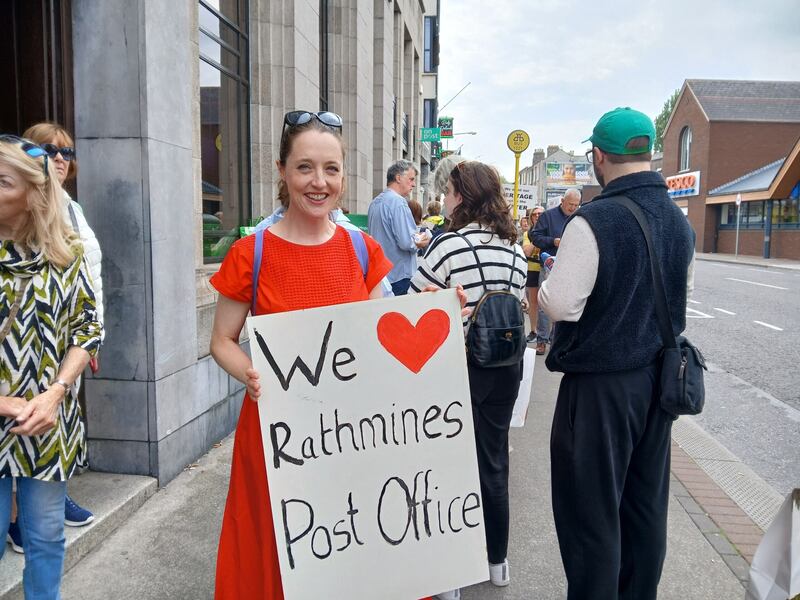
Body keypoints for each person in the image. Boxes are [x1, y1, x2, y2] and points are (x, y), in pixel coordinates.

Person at [208, 110, 395, 599]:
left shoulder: (363, 251)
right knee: (279, 548)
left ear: (343, 176)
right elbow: (221, 342)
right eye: (305, 167)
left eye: (331, 169)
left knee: (348, 540)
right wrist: (249, 372)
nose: (319, 182)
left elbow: (382, 340)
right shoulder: (252, 253)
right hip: (277, 435)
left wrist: (441, 316)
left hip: (352, 435)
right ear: (282, 171)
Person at [539, 107, 695, 600]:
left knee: (591, 513)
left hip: (601, 389)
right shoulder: (678, 221)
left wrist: (544, 286)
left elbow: (561, 303)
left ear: (599, 157)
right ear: (648, 154)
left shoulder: (595, 220)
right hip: (657, 382)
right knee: (645, 506)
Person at [410, 161, 526, 600]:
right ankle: (497, 562)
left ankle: (451, 576)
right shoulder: (514, 248)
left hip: (457, 366)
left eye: (451, 191)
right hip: (504, 368)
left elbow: (412, 303)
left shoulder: (448, 246)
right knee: (493, 462)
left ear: (464, 196)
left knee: (448, 467)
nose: (446, 198)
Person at [0, 135, 103, 598]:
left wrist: (57, 390)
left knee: (45, 539)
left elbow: (87, 327)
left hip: (47, 422)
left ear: (31, 193)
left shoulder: (67, 252)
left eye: (2, 181)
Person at [20, 122, 103, 533]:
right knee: (25, 425)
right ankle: (20, 516)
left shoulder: (72, 207)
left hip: (75, 336)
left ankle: (53, 497)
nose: (59, 159)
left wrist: (92, 336)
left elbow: (90, 275)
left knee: (59, 418)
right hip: (35, 338)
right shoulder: (23, 208)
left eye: (66, 153)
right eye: (47, 151)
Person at [367, 160, 429, 295]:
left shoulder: (374, 203)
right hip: (399, 275)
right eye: (411, 179)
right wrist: (421, 242)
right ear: (398, 178)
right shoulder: (398, 202)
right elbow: (406, 242)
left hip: (382, 275)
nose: (413, 184)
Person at [530, 188, 580, 355]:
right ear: (563, 201)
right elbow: (534, 236)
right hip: (549, 263)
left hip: (571, 264)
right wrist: (553, 241)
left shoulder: (579, 217)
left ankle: (556, 339)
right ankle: (542, 340)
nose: (573, 208)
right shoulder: (548, 216)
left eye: (576, 205)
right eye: (570, 204)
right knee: (545, 303)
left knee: (566, 303)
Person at [521, 206, 544, 343]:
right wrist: (539, 239)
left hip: (546, 268)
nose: (537, 216)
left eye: (540, 214)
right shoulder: (528, 233)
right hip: (532, 268)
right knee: (533, 302)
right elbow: (527, 251)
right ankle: (534, 330)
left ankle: (547, 332)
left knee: (546, 303)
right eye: (534, 214)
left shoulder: (549, 231)